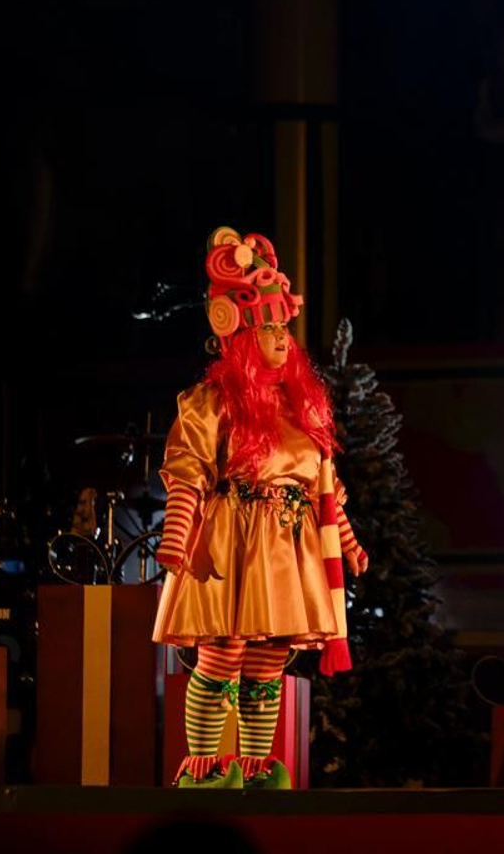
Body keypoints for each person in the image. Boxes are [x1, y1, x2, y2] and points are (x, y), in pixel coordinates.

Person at [152, 227, 367, 789]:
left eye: (282, 328)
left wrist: (348, 541)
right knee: (223, 652)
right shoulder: (213, 402)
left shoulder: (302, 407)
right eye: (267, 328)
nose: (280, 339)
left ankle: (253, 767)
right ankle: (204, 764)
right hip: (233, 540)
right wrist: (176, 534)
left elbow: (323, 488)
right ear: (242, 336)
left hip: (286, 545)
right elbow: (188, 469)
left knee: (270, 657)